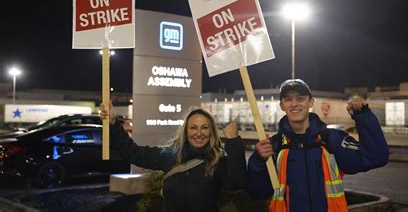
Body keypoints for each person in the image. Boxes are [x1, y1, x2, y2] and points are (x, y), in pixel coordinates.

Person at [247, 79, 389, 212]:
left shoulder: (332, 140)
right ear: (282, 105)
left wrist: (363, 117)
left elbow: (376, 156)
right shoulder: (273, 146)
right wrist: (258, 161)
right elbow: (258, 192)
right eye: (288, 99)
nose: (294, 104)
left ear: (311, 102)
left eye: (300, 98)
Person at [100, 103, 247, 212]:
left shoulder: (216, 160)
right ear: (186, 131)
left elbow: (237, 183)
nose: (199, 133)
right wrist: (114, 124)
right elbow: (133, 153)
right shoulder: (171, 155)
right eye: (193, 127)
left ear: (211, 131)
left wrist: (233, 141)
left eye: (204, 127)